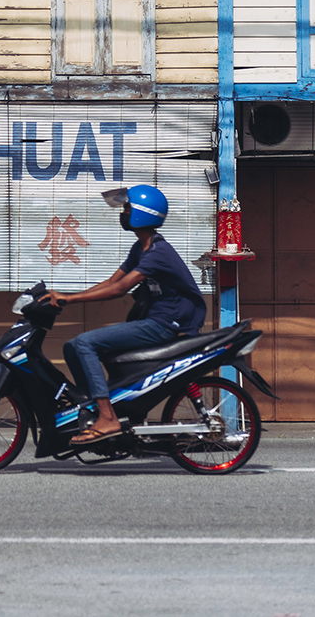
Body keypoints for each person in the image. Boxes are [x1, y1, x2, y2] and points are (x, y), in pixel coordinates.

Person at [42, 184, 206, 447]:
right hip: (152, 321)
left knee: (85, 343)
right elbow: (110, 281)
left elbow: (119, 289)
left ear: (143, 214)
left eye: (127, 209)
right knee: (72, 346)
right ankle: (95, 409)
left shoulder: (158, 252)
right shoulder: (140, 248)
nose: (123, 213)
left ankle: (108, 418)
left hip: (164, 324)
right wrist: (65, 295)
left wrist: (70, 299)